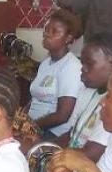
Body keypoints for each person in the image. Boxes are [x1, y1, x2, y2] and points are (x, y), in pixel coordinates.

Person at [57, 33, 112, 161]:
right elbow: (72, 135)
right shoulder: (88, 91)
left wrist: (50, 155)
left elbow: (91, 154)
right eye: (82, 63)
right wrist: (43, 145)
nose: (83, 69)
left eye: (89, 64)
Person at [27, 9, 84, 138]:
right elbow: (35, 98)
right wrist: (21, 120)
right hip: (35, 127)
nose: (47, 34)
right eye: (46, 29)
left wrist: (31, 126)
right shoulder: (46, 63)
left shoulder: (71, 67)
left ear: (68, 38)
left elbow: (62, 115)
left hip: (53, 133)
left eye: (54, 31)